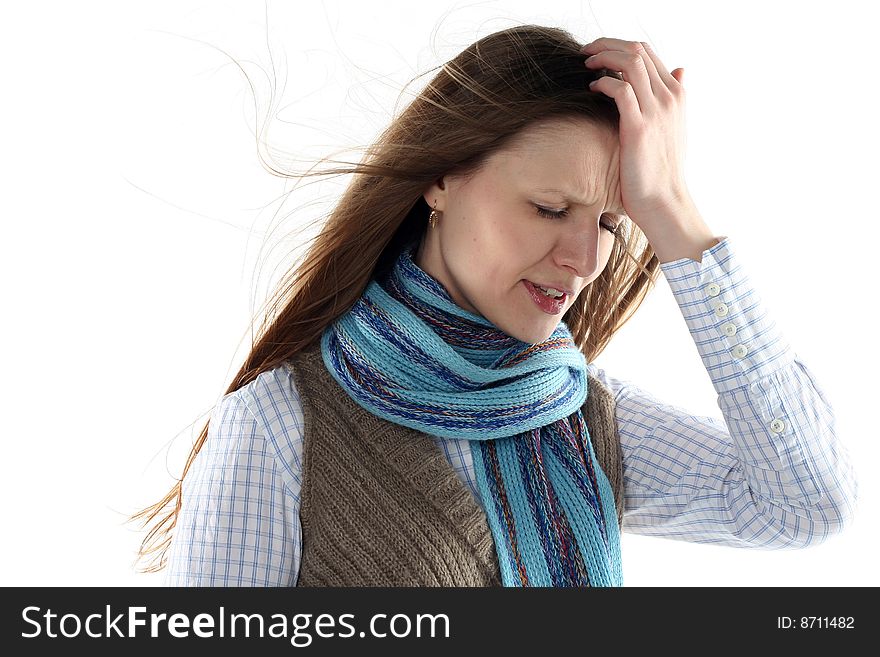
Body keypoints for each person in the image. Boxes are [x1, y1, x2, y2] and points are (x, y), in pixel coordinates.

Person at [129, 26, 858, 587]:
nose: (584, 258)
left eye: (609, 221)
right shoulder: (280, 424)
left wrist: (672, 208)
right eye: (549, 207)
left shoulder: (581, 415)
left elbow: (808, 505)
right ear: (442, 181)